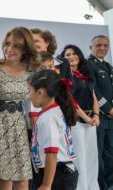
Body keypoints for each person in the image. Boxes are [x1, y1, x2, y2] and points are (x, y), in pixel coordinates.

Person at [0, 27, 38, 190]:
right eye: (7, 44)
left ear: (26, 48)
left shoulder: (30, 70)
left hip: (19, 124)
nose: (9, 49)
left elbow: (36, 99)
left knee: (23, 175)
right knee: (5, 177)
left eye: (16, 46)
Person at [27, 69, 78, 190]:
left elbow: (52, 153)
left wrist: (46, 185)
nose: (28, 95)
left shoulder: (48, 118)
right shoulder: (53, 111)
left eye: (29, 91)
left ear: (40, 92)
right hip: (59, 172)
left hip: (57, 175)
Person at [61, 44, 100, 190]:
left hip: (90, 121)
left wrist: (96, 115)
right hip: (76, 121)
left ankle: (92, 187)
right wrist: (86, 117)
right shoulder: (65, 76)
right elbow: (71, 100)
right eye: (67, 55)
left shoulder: (85, 74)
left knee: (91, 158)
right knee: (80, 158)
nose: (71, 56)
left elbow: (93, 96)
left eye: (73, 53)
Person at [88, 35, 113, 190]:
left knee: (110, 155)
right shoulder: (89, 65)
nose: (102, 48)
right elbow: (94, 91)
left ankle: (110, 184)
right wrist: (108, 109)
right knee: (98, 156)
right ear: (91, 47)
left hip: (110, 119)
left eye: (105, 45)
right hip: (99, 118)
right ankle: (101, 186)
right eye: (98, 45)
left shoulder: (108, 66)